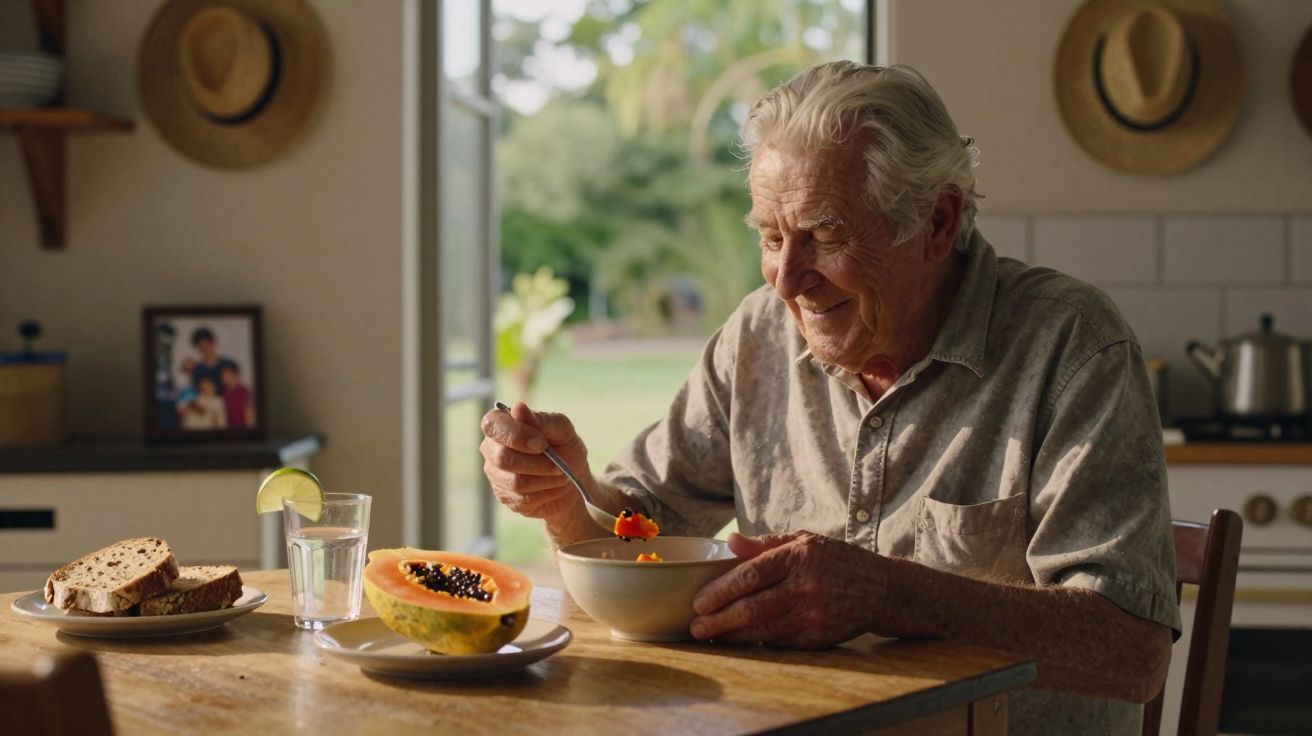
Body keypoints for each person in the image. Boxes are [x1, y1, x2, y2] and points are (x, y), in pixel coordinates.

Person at [480, 62, 1178, 736]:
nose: (787, 279)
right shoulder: (758, 335)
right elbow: (639, 533)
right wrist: (565, 501)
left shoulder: (1072, 346)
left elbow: (1130, 652)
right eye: (771, 236)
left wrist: (890, 595)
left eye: (824, 235)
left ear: (937, 222)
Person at [180, 327, 237, 397]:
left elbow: (238, 390)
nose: (205, 349)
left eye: (207, 344)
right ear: (197, 348)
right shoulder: (197, 370)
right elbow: (194, 394)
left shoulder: (228, 365)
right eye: (200, 346)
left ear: (213, 343)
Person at [219, 363, 255, 429]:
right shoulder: (223, 393)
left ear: (235, 375)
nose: (224, 377)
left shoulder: (245, 391)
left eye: (227, 374)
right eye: (222, 375)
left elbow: (249, 413)